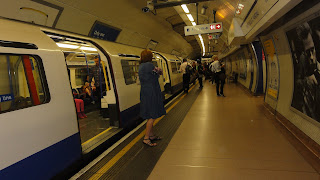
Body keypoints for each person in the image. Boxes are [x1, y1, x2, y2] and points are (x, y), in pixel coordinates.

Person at [139, 49, 166, 147]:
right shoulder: (149, 65)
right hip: (151, 92)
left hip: (145, 92)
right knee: (152, 115)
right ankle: (146, 138)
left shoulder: (141, 66)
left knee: (149, 114)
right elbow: (160, 71)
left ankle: (151, 135)